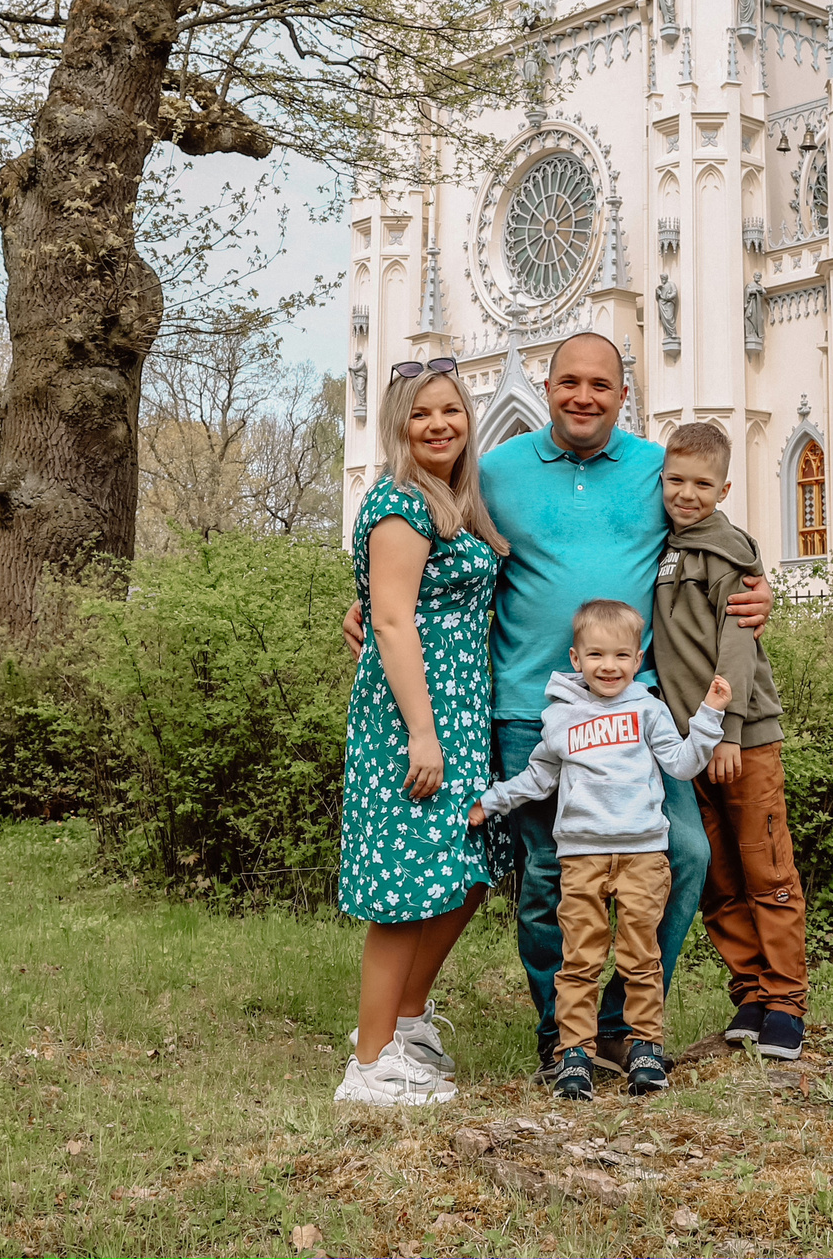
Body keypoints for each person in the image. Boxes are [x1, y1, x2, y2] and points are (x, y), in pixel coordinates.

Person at [344, 332, 771, 1080]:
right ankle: (561, 1036)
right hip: (523, 706)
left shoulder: (652, 469)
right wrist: (363, 610)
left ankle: (624, 1026)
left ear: (624, 392)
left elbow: (714, 532)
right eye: (569, 381)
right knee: (546, 873)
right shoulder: (492, 469)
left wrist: (759, 587)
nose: (583, 395)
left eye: (600, 385)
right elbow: (415, 552)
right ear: (545, 388)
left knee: (685, 850)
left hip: (635, 708)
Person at [333, 358, 509, 1107]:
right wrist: (422, 733)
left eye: (451, 411)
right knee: (406, 887)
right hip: (417, 716)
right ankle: (369, 1067)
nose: (440, 424)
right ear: (399, 427)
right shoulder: (401, 502)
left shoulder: (454, 502)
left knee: (464, 870)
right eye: (421, 414)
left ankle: (404, 1024)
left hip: (460, 711)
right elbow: (395, 619)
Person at [472, 600, 727, 1099]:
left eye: (620, 656)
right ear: (575, 659)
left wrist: (709, 716)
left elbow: (681, 764)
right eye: (595, 655)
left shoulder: (648, 709)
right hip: (582, 858)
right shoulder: (561, 719)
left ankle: (645, 1047)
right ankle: (574, 1055)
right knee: (580, 958)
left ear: (638, 659)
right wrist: (492, 801)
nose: (607, 666)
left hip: (643, 856)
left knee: (641, 957)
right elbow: (538, 777)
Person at [650, 420, 808, 1061]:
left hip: (738, 742)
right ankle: (749, 990)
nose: (686, 494)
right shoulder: (663, 546)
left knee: (766, 869)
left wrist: (729, 733)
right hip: (686, 744)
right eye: (676, 481)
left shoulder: (731, 552)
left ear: (725, 487)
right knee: (717, 876)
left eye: (701, 484)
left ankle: (786, 1001)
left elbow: (737, 648)